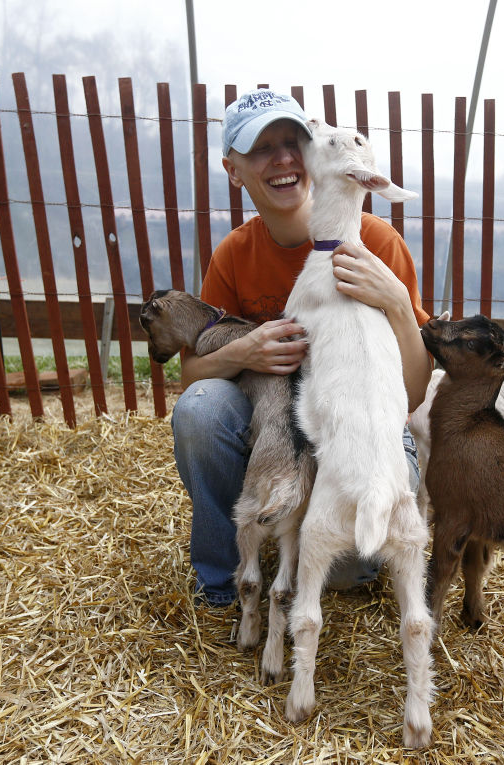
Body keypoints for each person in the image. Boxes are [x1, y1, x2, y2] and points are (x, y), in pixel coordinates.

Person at [171, 88, 432, 607]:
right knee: (200, 410)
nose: (284, 159)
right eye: (262, 149)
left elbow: (416, 391)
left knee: (350, 569)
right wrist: (245, 352)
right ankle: (222, 579)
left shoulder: (377, 242)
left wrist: (399, 305)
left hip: (358, 430)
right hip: (275, 425)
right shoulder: (234, 255)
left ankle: (314, 536)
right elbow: (191, 377)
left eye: (293, 142)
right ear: (233, 170)